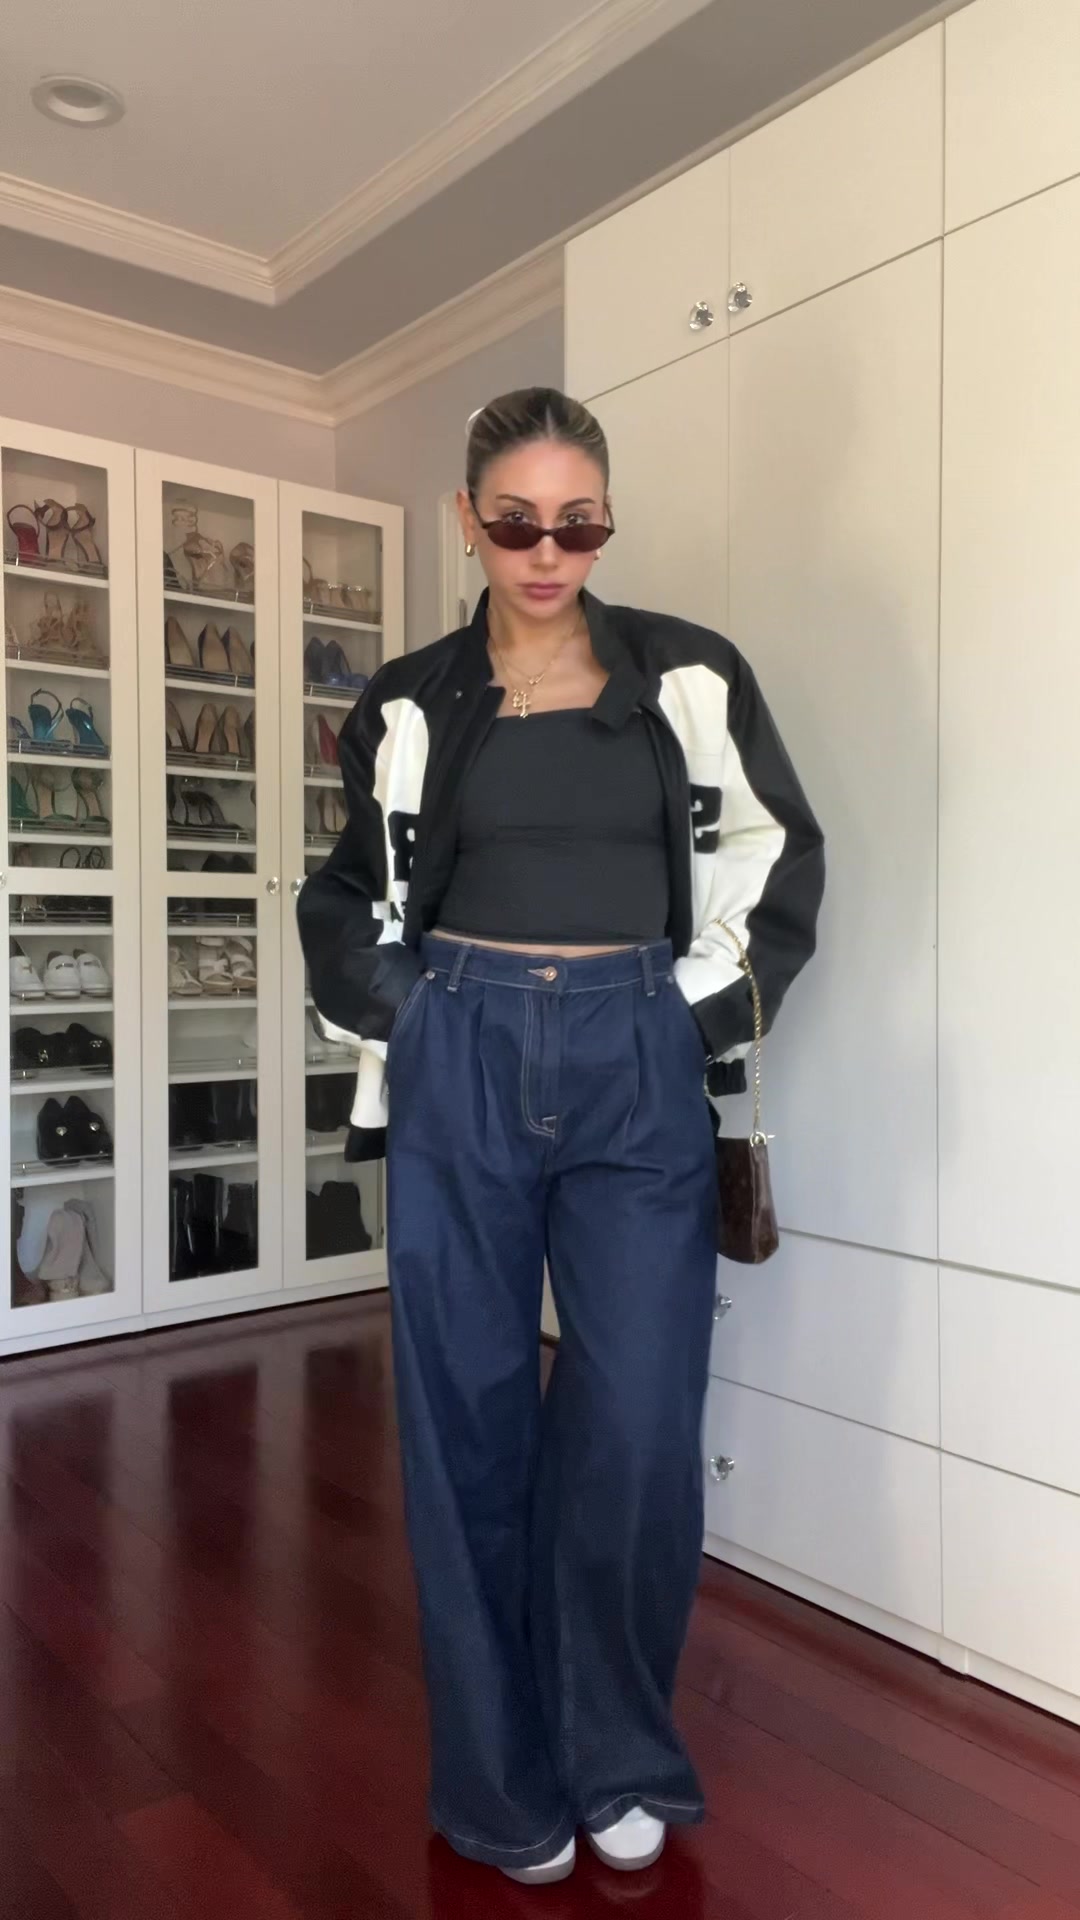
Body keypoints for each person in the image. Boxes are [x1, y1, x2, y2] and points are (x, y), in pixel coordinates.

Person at [298, 388, 825, 1886]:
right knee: (465, 1419)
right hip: (459, 1044)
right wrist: (406, 1012)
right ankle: (498, 1778)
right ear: (467, 520)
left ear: (605, 522)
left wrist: (689, 1018)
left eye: (579, 522)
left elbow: (777, 856)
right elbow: (348, 891)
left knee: (642, 1422)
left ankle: (618, 1749)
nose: (549, 552)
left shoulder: (690, 675)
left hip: (633, 1052)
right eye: (518, 522)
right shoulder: (409, 701)